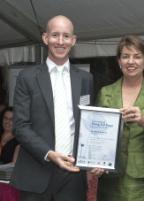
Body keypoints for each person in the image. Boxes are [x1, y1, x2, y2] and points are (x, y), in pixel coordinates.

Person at [10, 15, 94, 201]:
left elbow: (87, 124)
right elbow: (20, 126)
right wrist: (49, 154)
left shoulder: (85, 79)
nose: (60, 41)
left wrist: (95, 157)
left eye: (66, 36)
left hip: (73, 176)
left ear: (73, 40)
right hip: (35, 173)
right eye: (55, 35)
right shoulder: (27, 77)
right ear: (45, 38)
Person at [96, 35, 144, 201]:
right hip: (111, 180)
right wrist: (96, 161)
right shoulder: (105, 93)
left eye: (137, 56)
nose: (131, 61)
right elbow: (97, 135)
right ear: (119, 61)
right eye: (125, 56)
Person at [0, 106, 20, 201]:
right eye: (5, 118)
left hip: (7, 186)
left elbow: (13, 166)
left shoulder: (19, 141)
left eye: (11, 119)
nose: (7, 122)